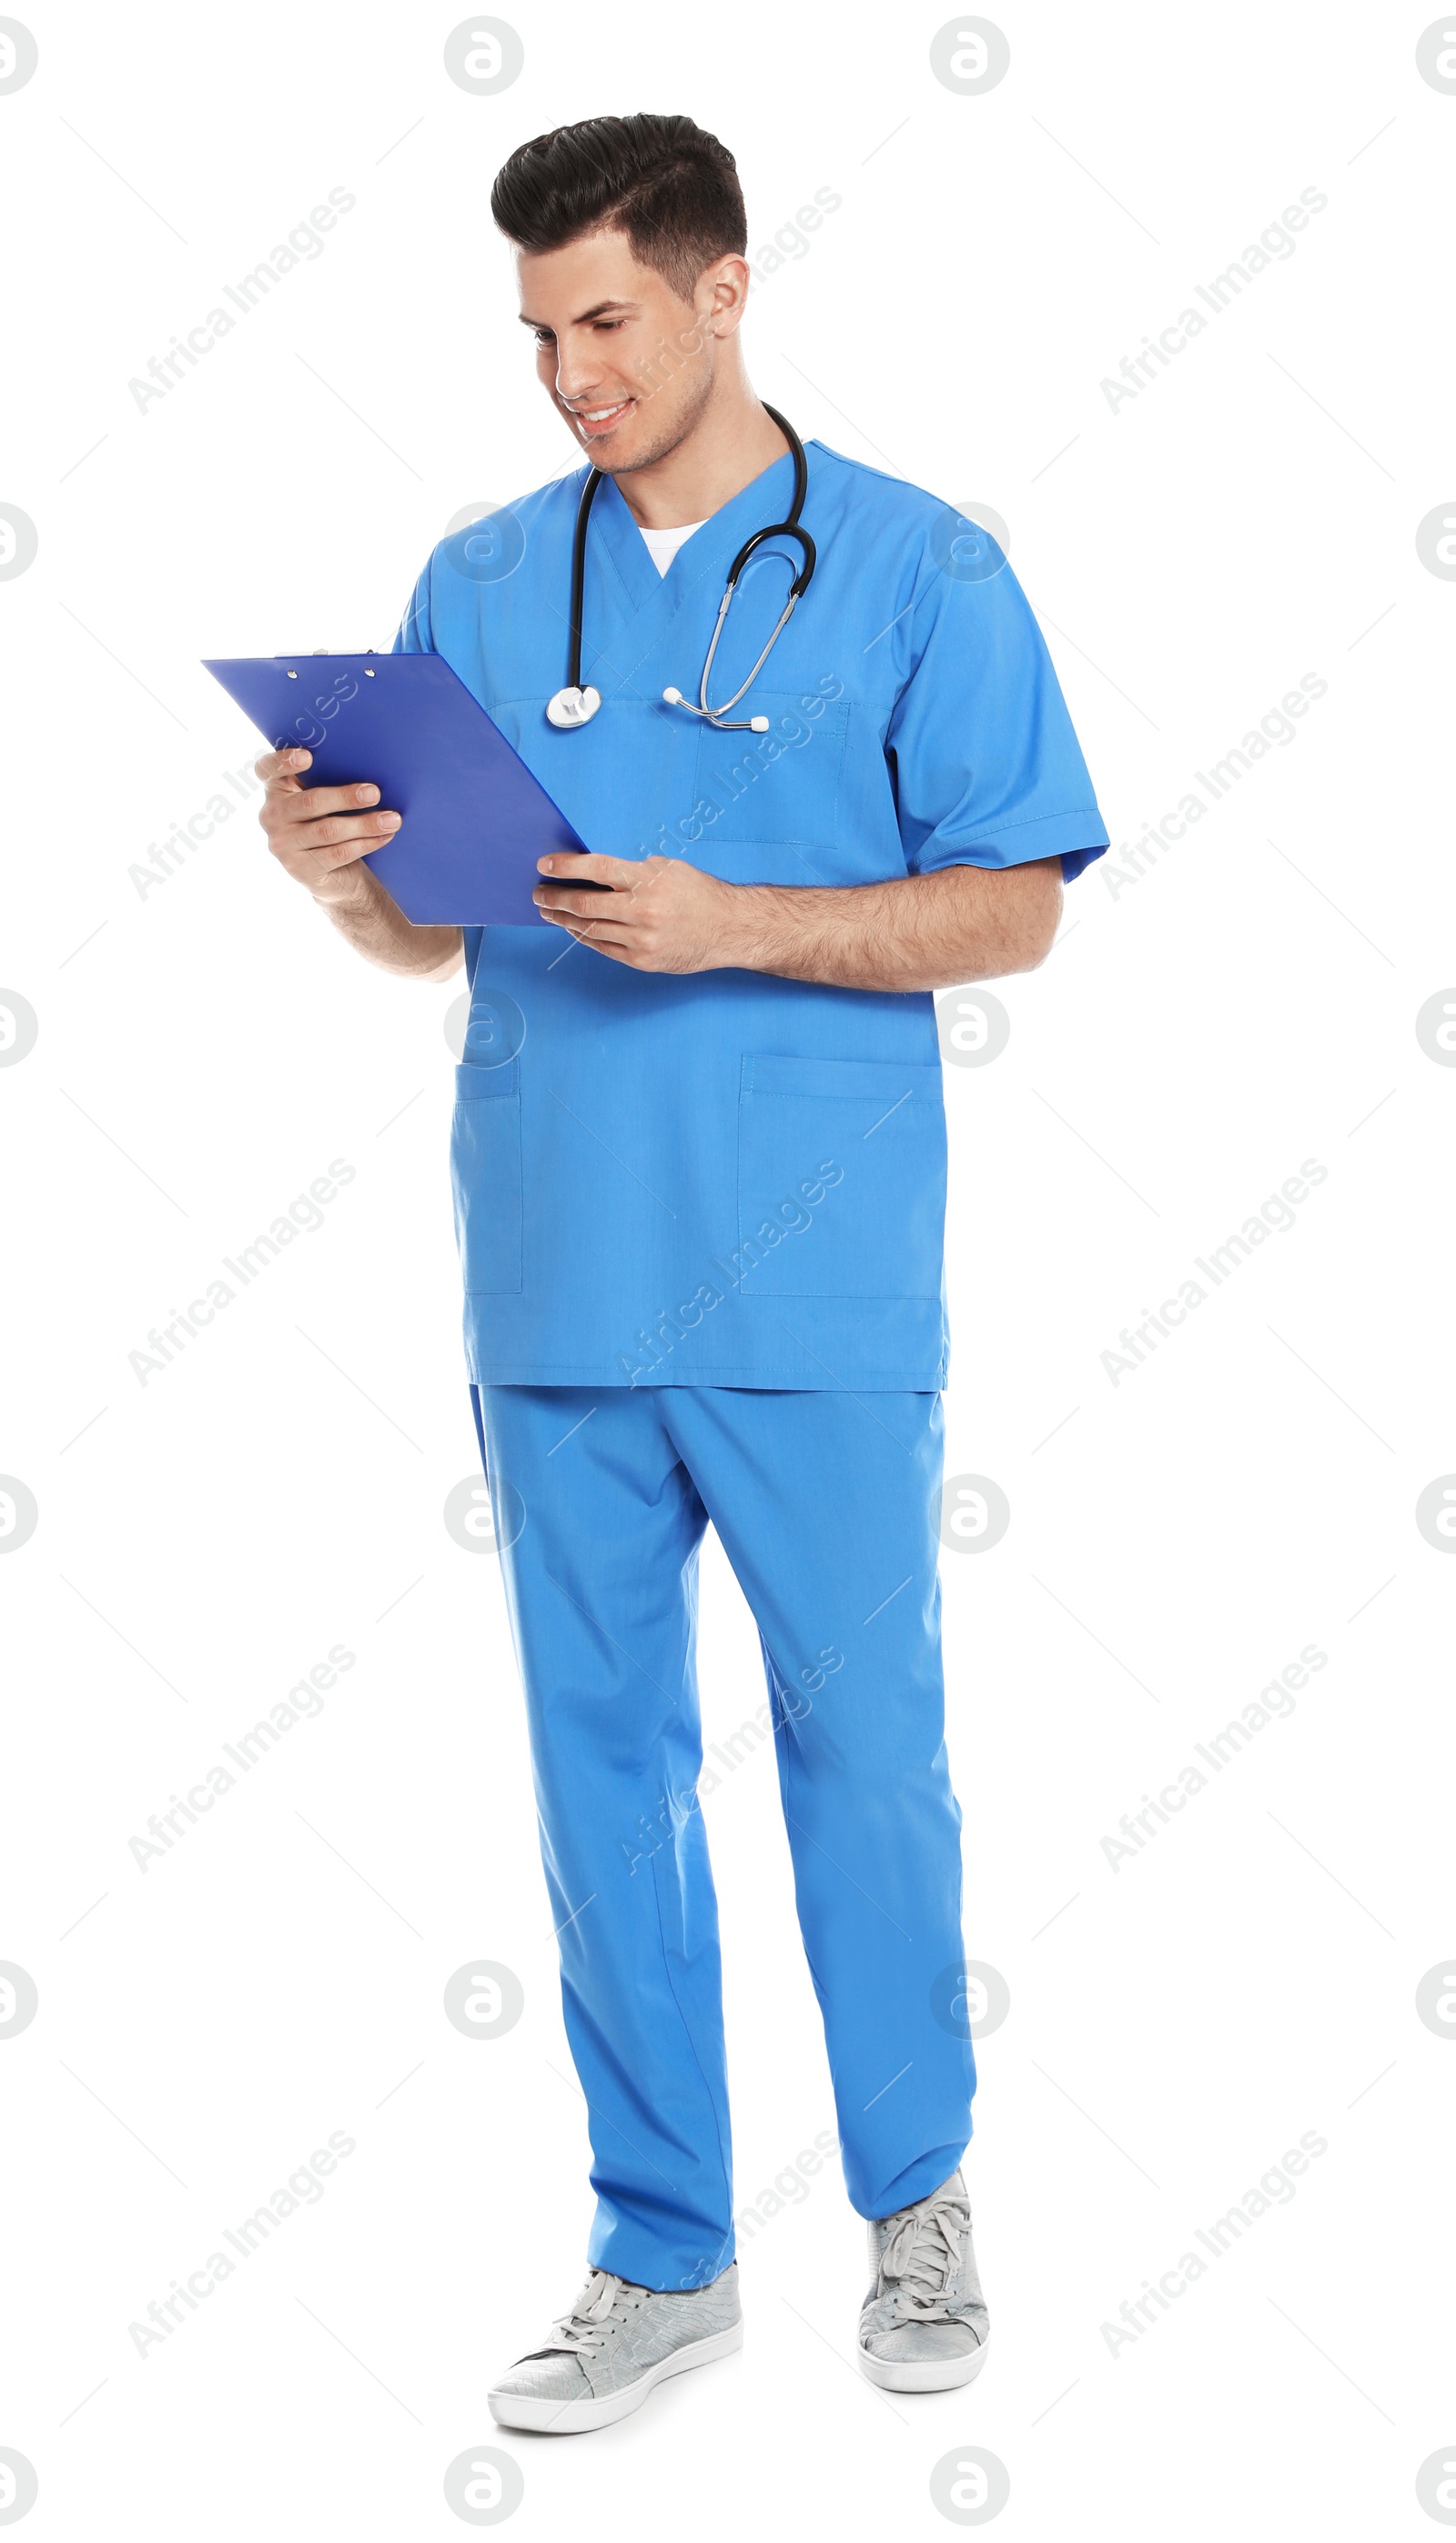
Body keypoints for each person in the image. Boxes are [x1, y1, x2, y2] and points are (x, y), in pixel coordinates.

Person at [256, 112, 1107, 2434]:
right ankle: (660, 2248)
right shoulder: (476, 577)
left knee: (865, 1755)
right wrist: (327, 858)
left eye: (606, 320)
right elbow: (422, 924)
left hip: (814, 1290)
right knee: (596, 1774)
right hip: (555, 1281)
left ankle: (915, 2202)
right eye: (538, 335)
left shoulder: (918, 568)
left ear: (724, 289)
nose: (571, 376)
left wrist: (740, 921)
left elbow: (1016, 896)